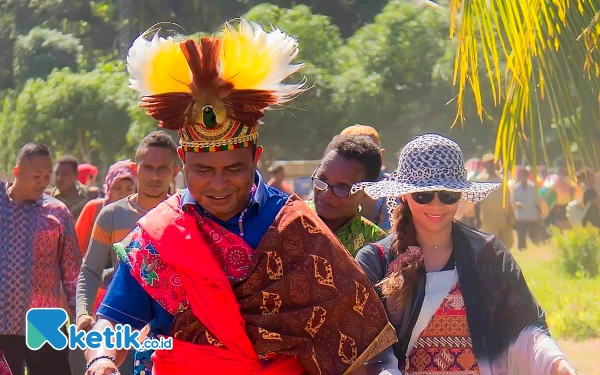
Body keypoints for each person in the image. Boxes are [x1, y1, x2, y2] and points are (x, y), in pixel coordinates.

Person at [84, 19, 395, 375]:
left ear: (255, 158)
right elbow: (113, 321)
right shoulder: (159, 234)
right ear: (183, 162)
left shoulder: (294, 225)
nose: (218, 184)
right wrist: (103, 360)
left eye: (233, 169)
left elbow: (356, 333)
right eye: (203, 170)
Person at [352, 133, 576, 375]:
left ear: (461, 195)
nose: (436, 205)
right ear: (403, 195)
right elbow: (370, 347)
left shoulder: (489, 253)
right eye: (423, 195)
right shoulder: (375, 260)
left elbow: (524, 326)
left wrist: (557, 364)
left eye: (448, 194)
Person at [77, 132, 179, 375]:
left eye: (162, 169)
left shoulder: (183, 215)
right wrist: (82, 313)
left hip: (167, 331)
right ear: (136, 168)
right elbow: (90, 270)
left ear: (175, 171)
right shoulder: (111, 215)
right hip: (119, 325)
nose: (154, 176)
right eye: (148, 168)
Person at [0, 143, 82, 375]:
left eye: (47, 176)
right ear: (17, 172)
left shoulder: (57, 212)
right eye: (36, 176)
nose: (43, 182)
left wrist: (81, 315)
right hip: (2, 321)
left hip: (45, 320)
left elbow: (72, 271)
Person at [307, 134, 386, 256]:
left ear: (366, 190)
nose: (327, 193)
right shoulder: (283, 219)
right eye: (322, 179)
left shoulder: (378, 247)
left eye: (342, 187)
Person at [76, 159, 137, 254]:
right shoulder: (94, 208)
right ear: (109, 188)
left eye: (129, 189)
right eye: (117, 188)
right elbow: (76, 246)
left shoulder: (140, 214)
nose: (123, 194)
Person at [340, 124, 392, 230]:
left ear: (381, 155)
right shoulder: (329, 189)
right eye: (353, 155)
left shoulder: (396, 192)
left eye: (369, 154)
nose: (363, 161)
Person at [474, 153, 514, 248]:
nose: (492, 165)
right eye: (489, 163)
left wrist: (510, 215)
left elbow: (508, 198)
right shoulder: (480, 180)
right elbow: (477, 201)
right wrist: (477, 218)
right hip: (489, 220)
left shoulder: (502, 179)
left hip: (503, 218)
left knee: (507, 243)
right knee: (491, 245)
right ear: (484, 165)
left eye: (493, 162)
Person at [52, 155, 92, 220]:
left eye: (65, 174)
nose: (59, 178)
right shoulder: (47, 199)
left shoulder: (90, 197)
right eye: (57, 174)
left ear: (76, 175)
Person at [512, 167, 543, 250]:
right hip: (521, 217)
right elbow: (512, 202)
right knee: (521, 236)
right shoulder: (516, 188)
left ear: (527, 176)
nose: (522, 177)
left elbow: (539, 202)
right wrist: (516, 204)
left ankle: (536, 251)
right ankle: (522, 251)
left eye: (524, 175)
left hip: (533, 216)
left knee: (535, 237)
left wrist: (540, 214)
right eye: (520, 175)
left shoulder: (533, 187)